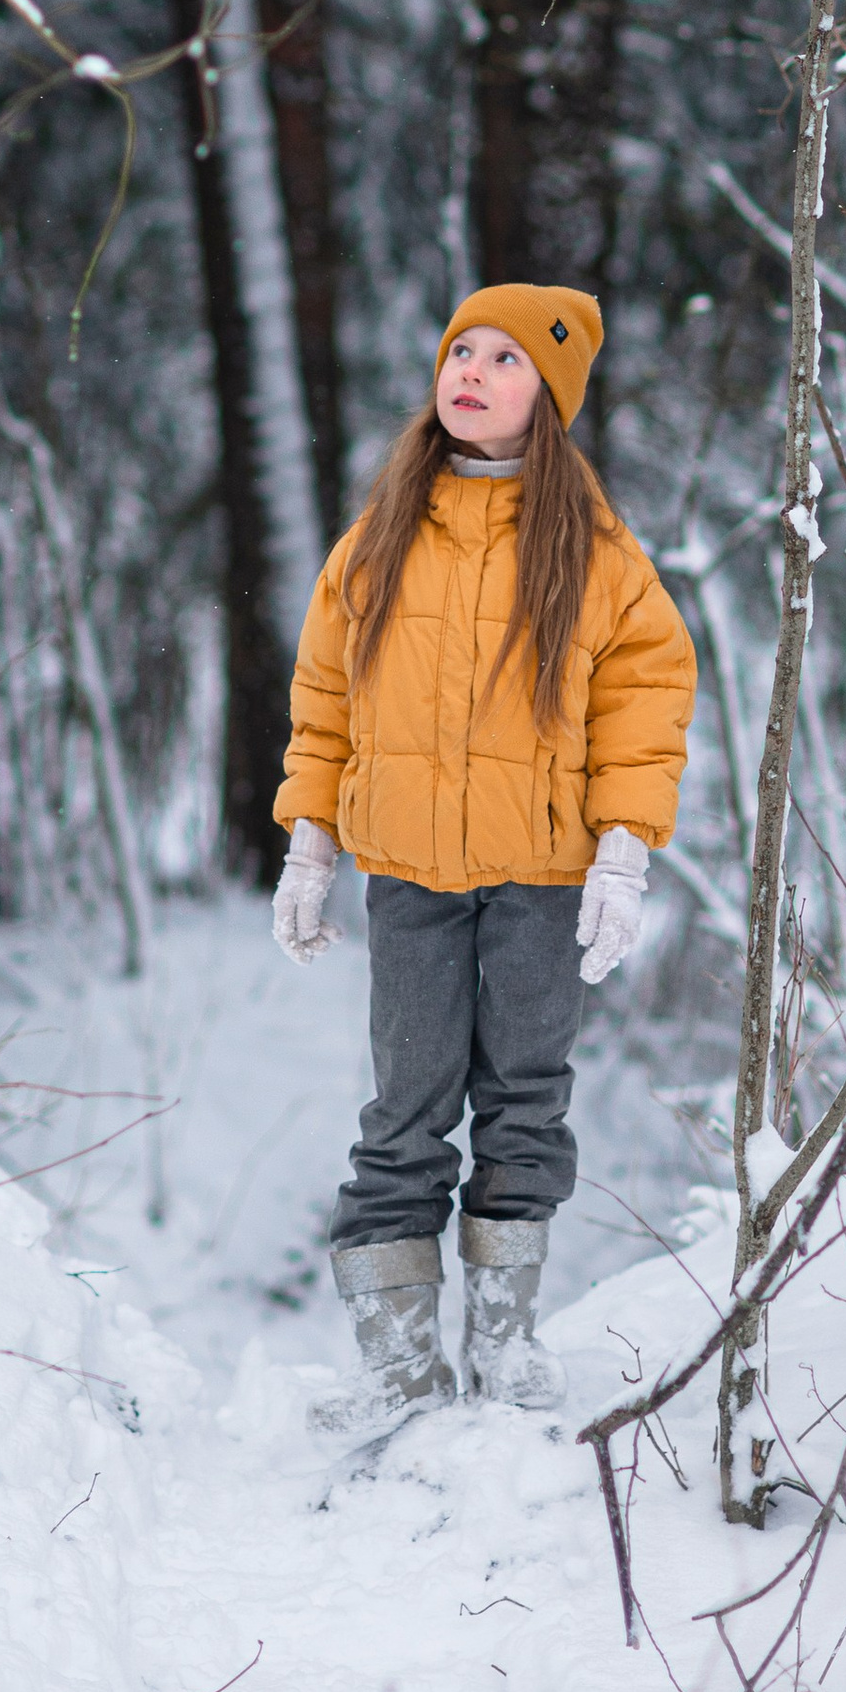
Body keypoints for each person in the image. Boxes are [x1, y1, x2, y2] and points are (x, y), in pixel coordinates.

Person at [270, 284, 696, 1433]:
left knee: (521, 1103)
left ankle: (502, 1338)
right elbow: (324, 701)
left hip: (542, 878)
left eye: (506, 358)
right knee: (404, 1110)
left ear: (547, 399)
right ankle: (399, 1363)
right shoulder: (381, 541)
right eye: (461, 347)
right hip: (406, 873)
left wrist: (620, 854)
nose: (471, 369)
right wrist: (310, 841)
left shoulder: (596, 553)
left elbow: (646, 699)